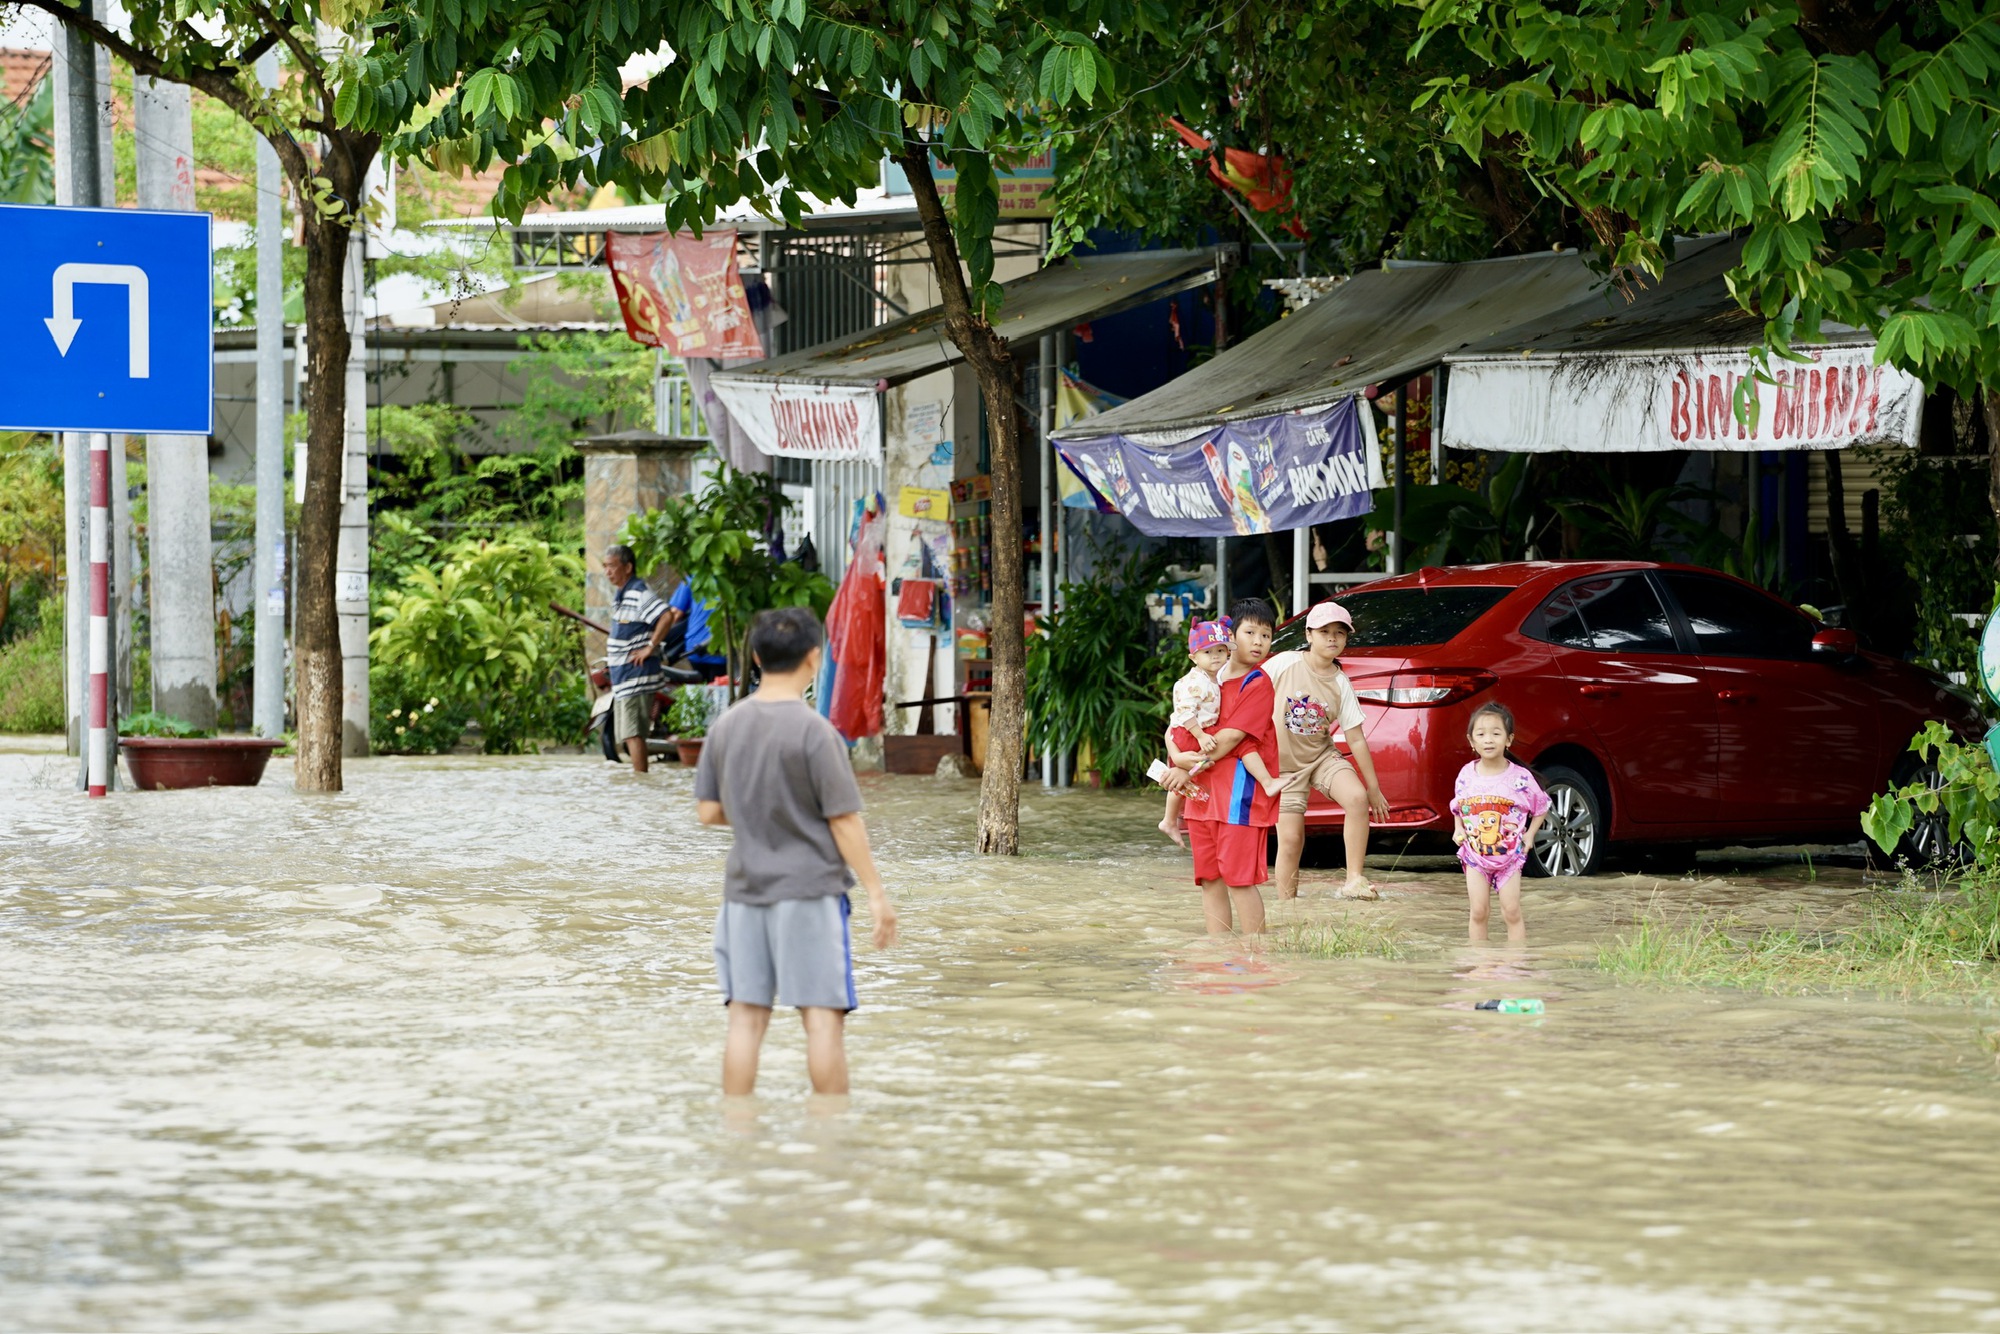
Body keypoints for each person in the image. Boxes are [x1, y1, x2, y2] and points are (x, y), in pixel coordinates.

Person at [695, 606, 898, 1097]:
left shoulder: (726, 727)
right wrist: (876, 894)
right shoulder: (816, 732)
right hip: (810, 895)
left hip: (744, 894)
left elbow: (708, 811)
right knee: (823, 1023)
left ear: (758, 657)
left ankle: (738, 1134)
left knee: (745, 1021)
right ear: (815, 657)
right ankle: (829, 1147)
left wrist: (758, 812)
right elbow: (843, 820)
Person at [1162, 598, 1282, 935]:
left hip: (1238, 797)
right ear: (1230, 637)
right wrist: (1175, 755)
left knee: (1240, 879)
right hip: (1202, 795)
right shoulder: (1205, 679)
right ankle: (1218, 959)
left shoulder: (1258, 683)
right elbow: (1177, 725)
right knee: (1210, 878)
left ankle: (1256, 956)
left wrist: (1186, 766)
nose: (1258, 642)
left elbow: (1229, 739)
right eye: (1249, 633)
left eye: (1266, 635)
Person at [1262, 601, 1392, 900]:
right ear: (1309, 635)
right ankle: (1287, 904)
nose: (1332, 638)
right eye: (1324, 632)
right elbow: (1250, 694)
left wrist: (1373, 787)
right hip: (1283, 769)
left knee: (1357, 798)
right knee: (1292, 840)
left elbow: (1356, 738)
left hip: (1321, 757)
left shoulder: (1340, 682)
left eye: (1339, 633)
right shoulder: (1284, 663)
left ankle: (1354, 880)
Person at [1158, 618, 1285, 846]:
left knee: (1238, 742)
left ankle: (1170, 819)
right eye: (1208, 652)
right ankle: (1169, 819)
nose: (1215, 656)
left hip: (1203, 748)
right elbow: (1180, 719)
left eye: (1219, 650)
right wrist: (1182, 759)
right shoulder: (1198, 681)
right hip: (1196, 735)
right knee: (1241, 744)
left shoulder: (1218, 676)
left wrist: (1181, 763)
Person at [1451, 701, 1549, 943]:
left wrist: (1529, 836)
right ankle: (1480, 967)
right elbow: (1457, 807)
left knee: (1512, 911)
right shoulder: (1466, 774)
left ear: (1508, 739)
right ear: (1471, 741)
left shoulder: (1520, 777)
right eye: (1481, 734)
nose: (1488, 740)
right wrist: (1457, 829)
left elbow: (1542, 805)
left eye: (1496, 734)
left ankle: (1515, 966)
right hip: (1475, 856)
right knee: (1478, 911)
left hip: (1510, 857)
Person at [603, 544, 676, 774]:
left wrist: (649, 647)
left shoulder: (638, 592)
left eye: (612, 566)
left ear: (628, 567)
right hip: (624, 676)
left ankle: (641, 781)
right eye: (605, 567)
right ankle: (639, 780)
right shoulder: (622, 594)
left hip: (636, 675)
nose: (608, 572)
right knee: (628, 734)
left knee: (633, 733)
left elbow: (666, 616)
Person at [663, 578, 728, 680]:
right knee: (720, 690)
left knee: (701, 690)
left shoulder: (693, 577)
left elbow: (675, 613)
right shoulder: (732, 578)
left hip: (694, 645)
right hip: (720, 648)